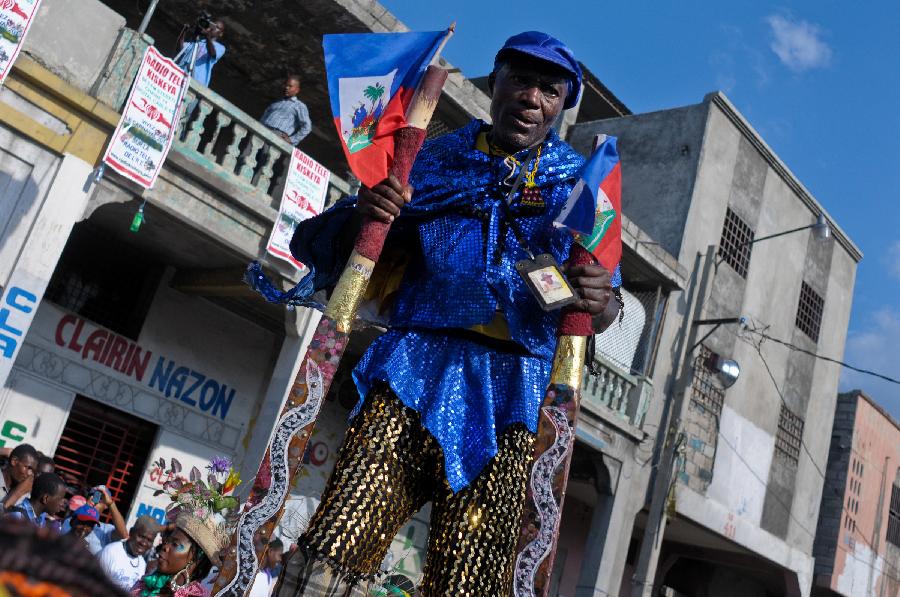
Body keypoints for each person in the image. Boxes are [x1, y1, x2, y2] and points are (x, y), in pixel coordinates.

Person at [277, 31, 619, 596]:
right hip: (412, 368)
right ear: (495, 84)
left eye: (550, 91)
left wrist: (601, 299)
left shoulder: (582, 187)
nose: (532, 98)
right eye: (521, 80)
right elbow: (318, 243)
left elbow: (606, 309)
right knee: (332, 550)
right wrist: (368, 209)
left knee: (468, 584)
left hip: (515, 395)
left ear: (561, 106)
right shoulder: (428, 157)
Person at [0, 518, 129, 597]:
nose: (85, 528)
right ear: (72, 522)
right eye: (82, 522)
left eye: (90, 525)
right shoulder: (58, 543)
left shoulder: (80, 555)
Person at [131, 513, 220, 597]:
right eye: (167, 541)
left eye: (175, 544)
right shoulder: (147, 582)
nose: (165, 547)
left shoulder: (194, 595)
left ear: (194, 559)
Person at [99, 516, 162, 592]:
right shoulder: (110, 553)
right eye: (141, 536)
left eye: (149, 540)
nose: (144, 543)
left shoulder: (142, 564)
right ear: (131, 532)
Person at [67, 487, 128, 555]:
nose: (94, 501)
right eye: (92, 496)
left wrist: (111, 504)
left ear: (106, 506)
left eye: (100, 499)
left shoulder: (105, 529)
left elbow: (123, 535)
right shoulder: (72, 519)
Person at [260, 76, 313, 146]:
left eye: (290, 86)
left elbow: (307, 126)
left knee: (264, 156)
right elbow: (264, 117)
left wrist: (292, 139)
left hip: (277, 135)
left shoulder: (299, 106)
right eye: (286, 85)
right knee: (246, 155)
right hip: (261, 130)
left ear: (297, 90)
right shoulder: (277, 102)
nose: (286, 88)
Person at [176, 17, 226, 87]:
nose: (213, 28)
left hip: (196, 83)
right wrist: (184, 31)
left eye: (217, 27)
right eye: (213, 25)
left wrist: (207, 36)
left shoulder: (220, 47)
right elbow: (180, 50)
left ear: (221, 34)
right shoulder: (198, 41)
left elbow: (212, 54)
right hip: (180, 76)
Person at [0, 443, 38, 513]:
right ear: (14, 461)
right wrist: (17, 494)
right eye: (28, 467)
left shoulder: (25, 495)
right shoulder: (21, 491)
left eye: (32, 471)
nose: (30, 474)